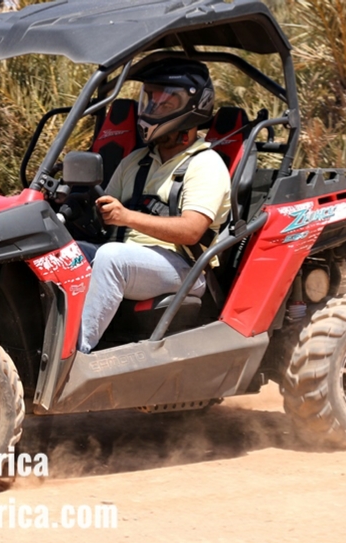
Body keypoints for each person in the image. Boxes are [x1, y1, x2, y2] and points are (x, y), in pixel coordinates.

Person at [78, 59, 231, 353]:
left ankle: (75, 358)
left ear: (192, 108)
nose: (151, 109)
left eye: (164, 102)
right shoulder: (136, 160)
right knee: (65, 253)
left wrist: (126, 217)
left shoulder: (205, 164)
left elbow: (191, 231)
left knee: (111, 258)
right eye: (149, 99)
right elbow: (106, 211)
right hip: (136, 260)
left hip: (185, 267)